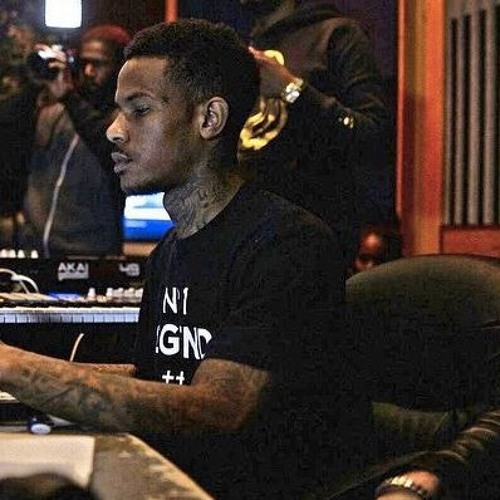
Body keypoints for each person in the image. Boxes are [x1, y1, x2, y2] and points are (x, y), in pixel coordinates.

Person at [0, 19, 371, 499]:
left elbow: (217, 410)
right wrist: (18, 375)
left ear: (209, 118)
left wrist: (10, 366)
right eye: (118, 111)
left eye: (139, 110)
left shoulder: (287, 244)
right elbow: (155, 379)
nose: (114, 131)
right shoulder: (171, 249)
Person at [238, 0, 395, 271]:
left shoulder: (338, 35)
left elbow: (374, 133)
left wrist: (291, 89)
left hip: (311, 244)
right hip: (247, 238)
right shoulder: (247, 46)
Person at [0, 24, 131, 256]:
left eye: (98, 64)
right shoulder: (57, 110)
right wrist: (34, 84)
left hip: (91, 255)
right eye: (84, 62)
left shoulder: (126, 120)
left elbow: (107, 147)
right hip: (34, 250)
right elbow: (7, 129)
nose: (88, 71)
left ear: (121, 67)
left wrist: (69, 97)